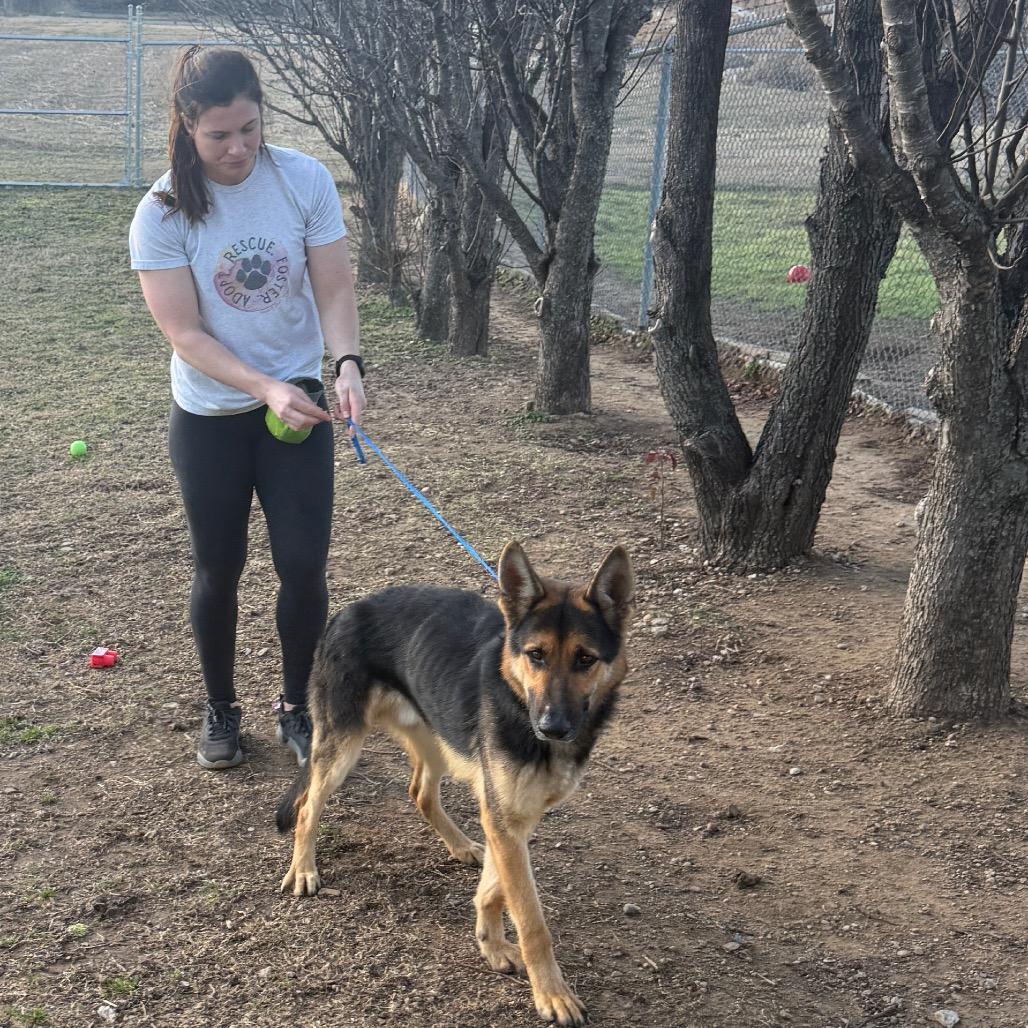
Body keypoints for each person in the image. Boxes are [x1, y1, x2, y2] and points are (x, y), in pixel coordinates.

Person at [129, 47, 366, 771]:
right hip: (209, 417)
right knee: (219, 565)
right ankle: (221, 708)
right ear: (188, 126)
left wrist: (346, 363)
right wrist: (264, 387)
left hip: (297, 410)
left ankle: (298, 706)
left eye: (250, 129)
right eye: (219, 135)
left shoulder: (303, 179)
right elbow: (184, 333)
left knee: (303, 565)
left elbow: (333, 288)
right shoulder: (162, 211)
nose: (237, 149)